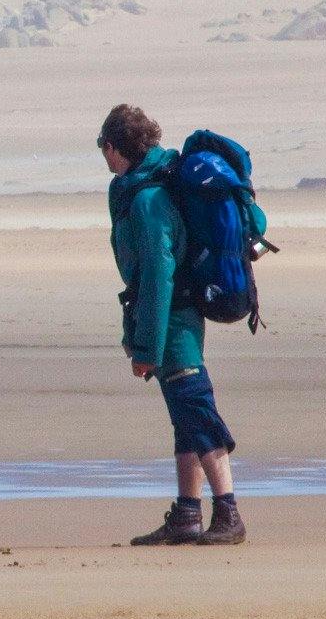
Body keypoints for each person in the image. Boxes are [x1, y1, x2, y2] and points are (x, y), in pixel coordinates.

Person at [100, 103, 244, 546]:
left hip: (174, 321)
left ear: (114, 147)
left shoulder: (148, 200)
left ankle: (229, 513)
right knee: (184, 418)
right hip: (170, 318)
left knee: (197, 411)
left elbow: (159, 277)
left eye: (103, 147)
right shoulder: (140, 187)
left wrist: (146, 349)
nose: (103, 157)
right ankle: (186, 515)